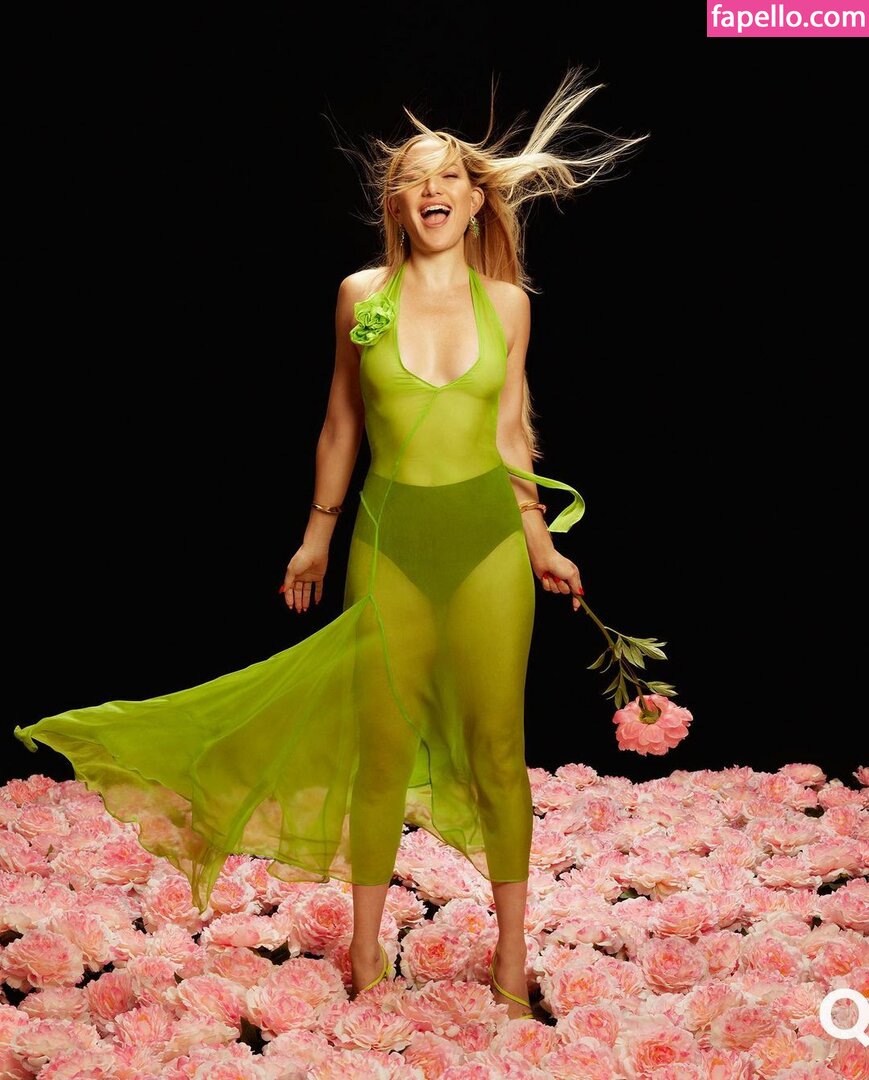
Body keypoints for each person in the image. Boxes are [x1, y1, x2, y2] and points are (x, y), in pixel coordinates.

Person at [14, 69, 644, 1020]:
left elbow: (511, 432)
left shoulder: (509, 304)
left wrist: (539, 541)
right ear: (396, 203)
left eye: (448, 175)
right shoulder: (359, 295)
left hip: (486, 542)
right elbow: (341, 424)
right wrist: (315, 538)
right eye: (412, 178)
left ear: (476, 200)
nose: (431, 189)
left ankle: (513, 957)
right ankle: (364, 950)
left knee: (497, 746)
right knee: (379, 750)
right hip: (388, 541)